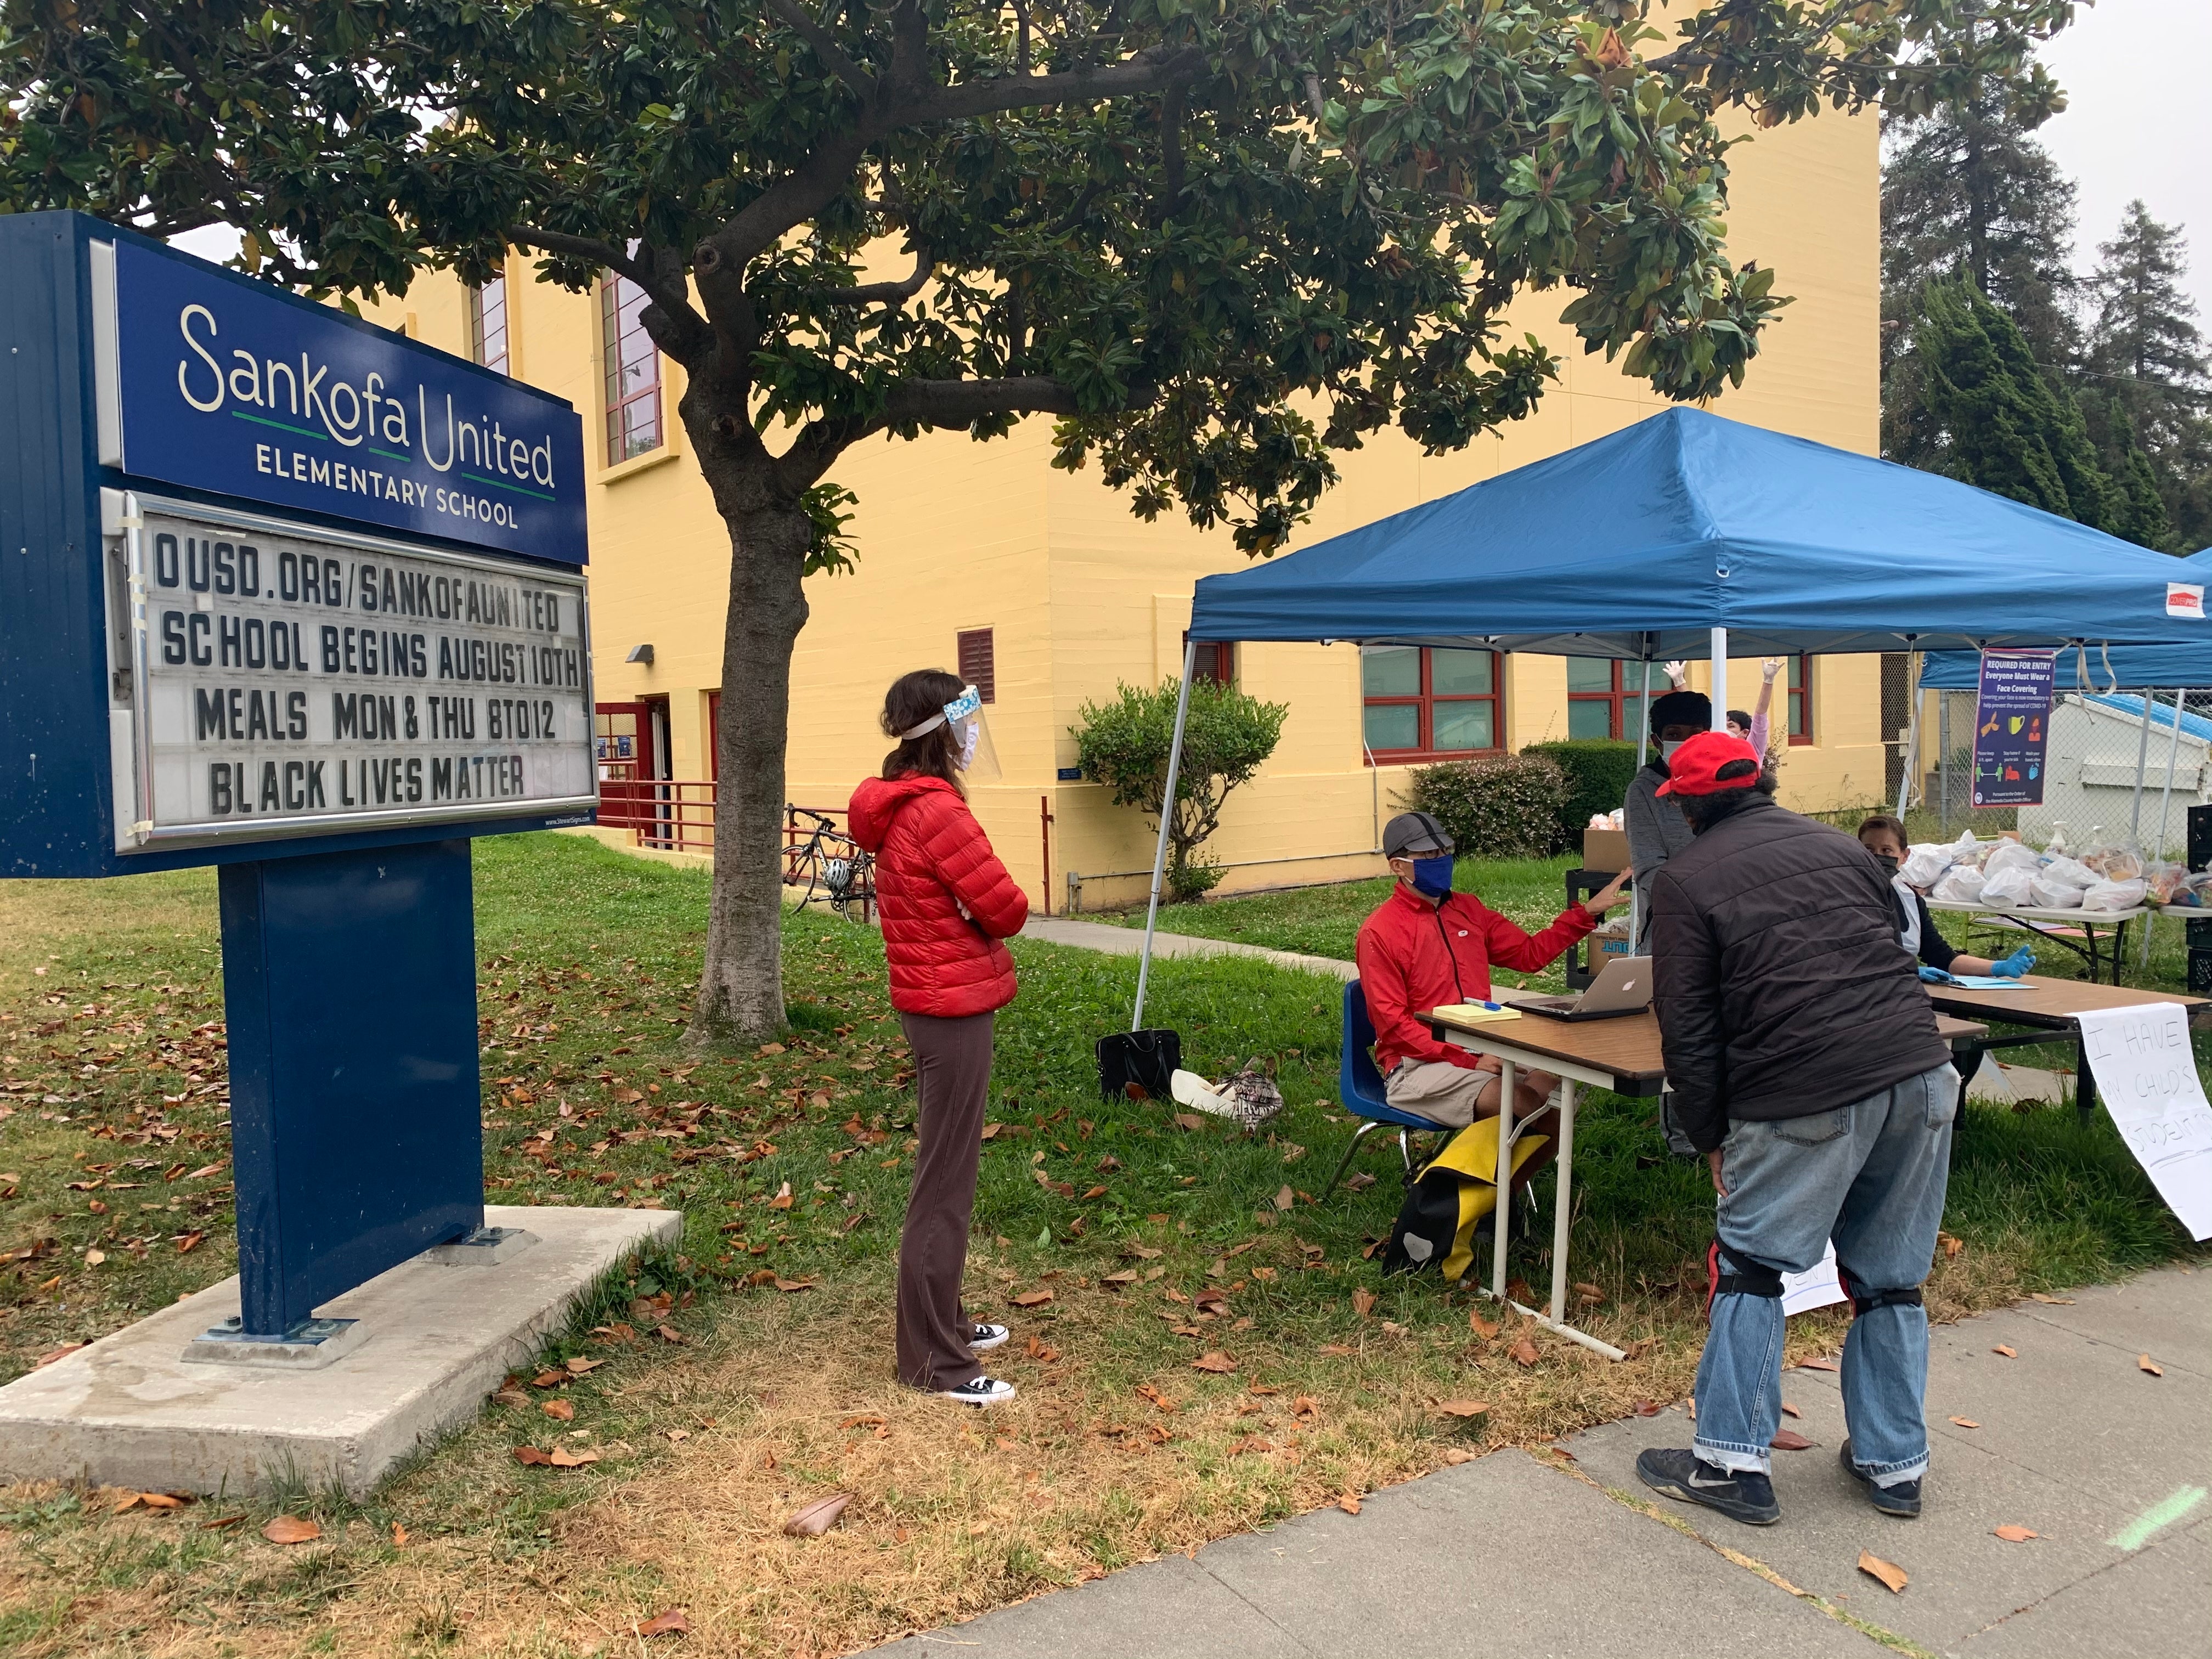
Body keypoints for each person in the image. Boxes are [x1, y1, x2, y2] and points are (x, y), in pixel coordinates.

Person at [1636, 732, 1961, 1527]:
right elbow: (1892, 950)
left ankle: (1729, 1463)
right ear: (1762, 783)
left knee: (1749, 1265)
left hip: (1803, 1087)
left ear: (1684, 806)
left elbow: (1689, 1027)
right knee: (1890, 1276)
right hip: (1921, 1076)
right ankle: (1895, 1462)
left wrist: (1708, 1133)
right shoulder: (1842, 848)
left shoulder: (1683, 879)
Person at [849, 671, 1028, 1407]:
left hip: (933, 1003)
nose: (972, 739)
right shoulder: (939, 813)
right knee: (944, 1186)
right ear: (942, 733)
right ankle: (934, 1362)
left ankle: (945, 1320)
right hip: (950, 1010)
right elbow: (1008, 907)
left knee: (946, 1174)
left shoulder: (901, 807)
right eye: (965, 724)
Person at [1355, 811, 1629, 1137]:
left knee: (1559, 1085)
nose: (1440, 860)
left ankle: (1493, 1179)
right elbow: (1395, 1026)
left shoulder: (1469, 910)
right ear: (1397, 866)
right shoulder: (1379, 932)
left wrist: (1587, 913)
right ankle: (1462, 1183)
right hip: (1415, 1064)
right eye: (1428, 855)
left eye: (1445, 850)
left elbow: (1530, 955)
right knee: (1523, 1102)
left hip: (1480, 1045)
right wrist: (1467, 1061)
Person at [1857, 814, 2033, 981]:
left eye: (1886, 850)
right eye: (1869, 850)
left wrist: (1997, 968)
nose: (1877, 857)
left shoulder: (1909, 898)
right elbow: (1849, 959)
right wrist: (1907, 971)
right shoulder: (1847, 897)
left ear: (1905, 856)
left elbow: (1941, 956)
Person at [1623, 688, 1712, 903]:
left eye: (1695, 733)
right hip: (1674, 920)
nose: (1686, 742)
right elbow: (1649, 869)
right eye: (1674, 735)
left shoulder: (1726, 781)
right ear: (1657, 741)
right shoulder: (1644, 792)